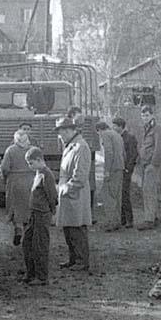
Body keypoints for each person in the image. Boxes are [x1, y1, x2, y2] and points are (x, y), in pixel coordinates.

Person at [54, 116, 92, 271]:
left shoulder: (81, 147)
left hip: (76, 194)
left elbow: (80, 177)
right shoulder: (71, 146)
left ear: (71, 130)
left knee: (77, 228)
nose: (60, 135)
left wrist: (65, 189)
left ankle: (82, 261)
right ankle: (73, 258)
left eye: (63, 132)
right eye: (59, 132)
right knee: (69, 228)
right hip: (69, 194)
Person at [22, 147, 58, 284]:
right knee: (27, 242)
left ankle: (42, 277)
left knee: (40, 245)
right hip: (34, 213)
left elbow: (52, 196)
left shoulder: (46, 175)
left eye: (31, 163)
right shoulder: (38, 173)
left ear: (39, 160)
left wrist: (52, 213)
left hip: (42, 214)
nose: (29, 166)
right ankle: (31, 273)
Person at [0, 127, 34, 246]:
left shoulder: (10, 150)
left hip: (14, 181)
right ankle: (27, 232)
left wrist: (5, 178)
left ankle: (18, 228)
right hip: (30, 181)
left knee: (15, 207)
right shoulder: (33, 150)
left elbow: (4, 168)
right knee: (28, 206)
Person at [136, 105, 161, 230]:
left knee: (149, 191)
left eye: (147, 115)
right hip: (144, 164)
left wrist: (153, 164)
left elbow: (159, 148)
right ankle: (154, 217)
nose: (144, 117)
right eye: (143, 115)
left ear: (152, 115)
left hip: (151, 165)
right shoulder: (145, 129)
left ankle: (149, 220)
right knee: (147, 191)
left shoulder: (158, 129)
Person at [96, 121, 125, 231]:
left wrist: (107, 170)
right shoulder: (117, 135)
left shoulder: (105, 134)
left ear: (99, 130)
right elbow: (123, 153)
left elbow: (109, 152)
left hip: (112, 168)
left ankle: (111, 222)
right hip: (120, 167)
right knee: (117, 195)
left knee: (108, 195)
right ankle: (117, 221)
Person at [112, 117, 138, 228]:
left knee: (125, 193)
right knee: (119, 193)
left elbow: (133, 155)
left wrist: (128, 168)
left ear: (120, 126)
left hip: (126, 170)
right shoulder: (116, 137)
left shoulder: (129, 138)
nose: (113, 128)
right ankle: (122, 219)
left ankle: (129, 220)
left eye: (115, 126)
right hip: (119, 169)